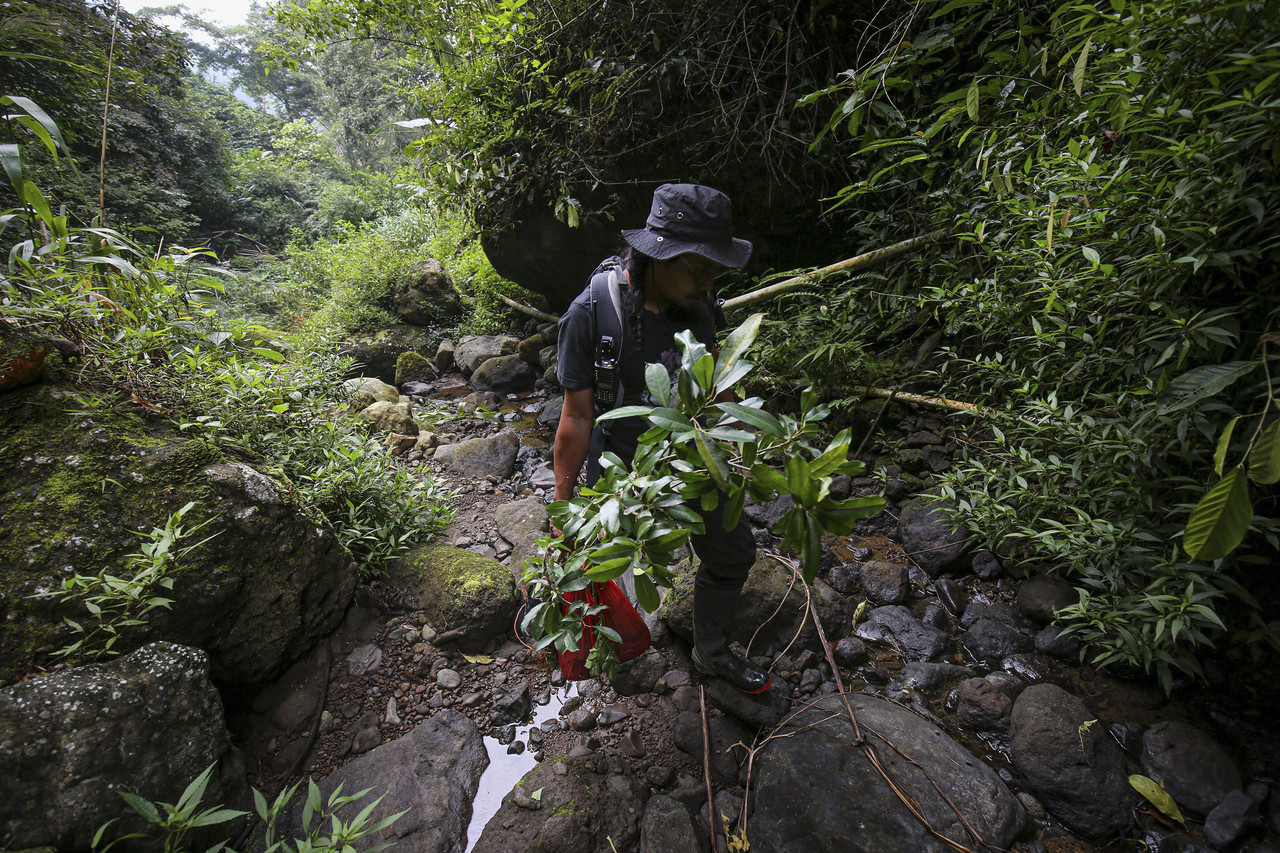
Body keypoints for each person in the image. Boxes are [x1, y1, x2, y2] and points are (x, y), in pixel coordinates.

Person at [553, 183, 771, 694]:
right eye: (699, 268)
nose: (708, 281)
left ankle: (710, 650)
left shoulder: (699, 300)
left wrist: (737, 446)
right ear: (656, 255)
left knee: (733, 552)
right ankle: (615, 657)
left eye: (716, 270)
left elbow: (715, 378)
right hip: (623, 473)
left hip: (695, 456)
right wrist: (561, 517)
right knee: (600, 569)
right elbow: (578, 419)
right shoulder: (591, 314)